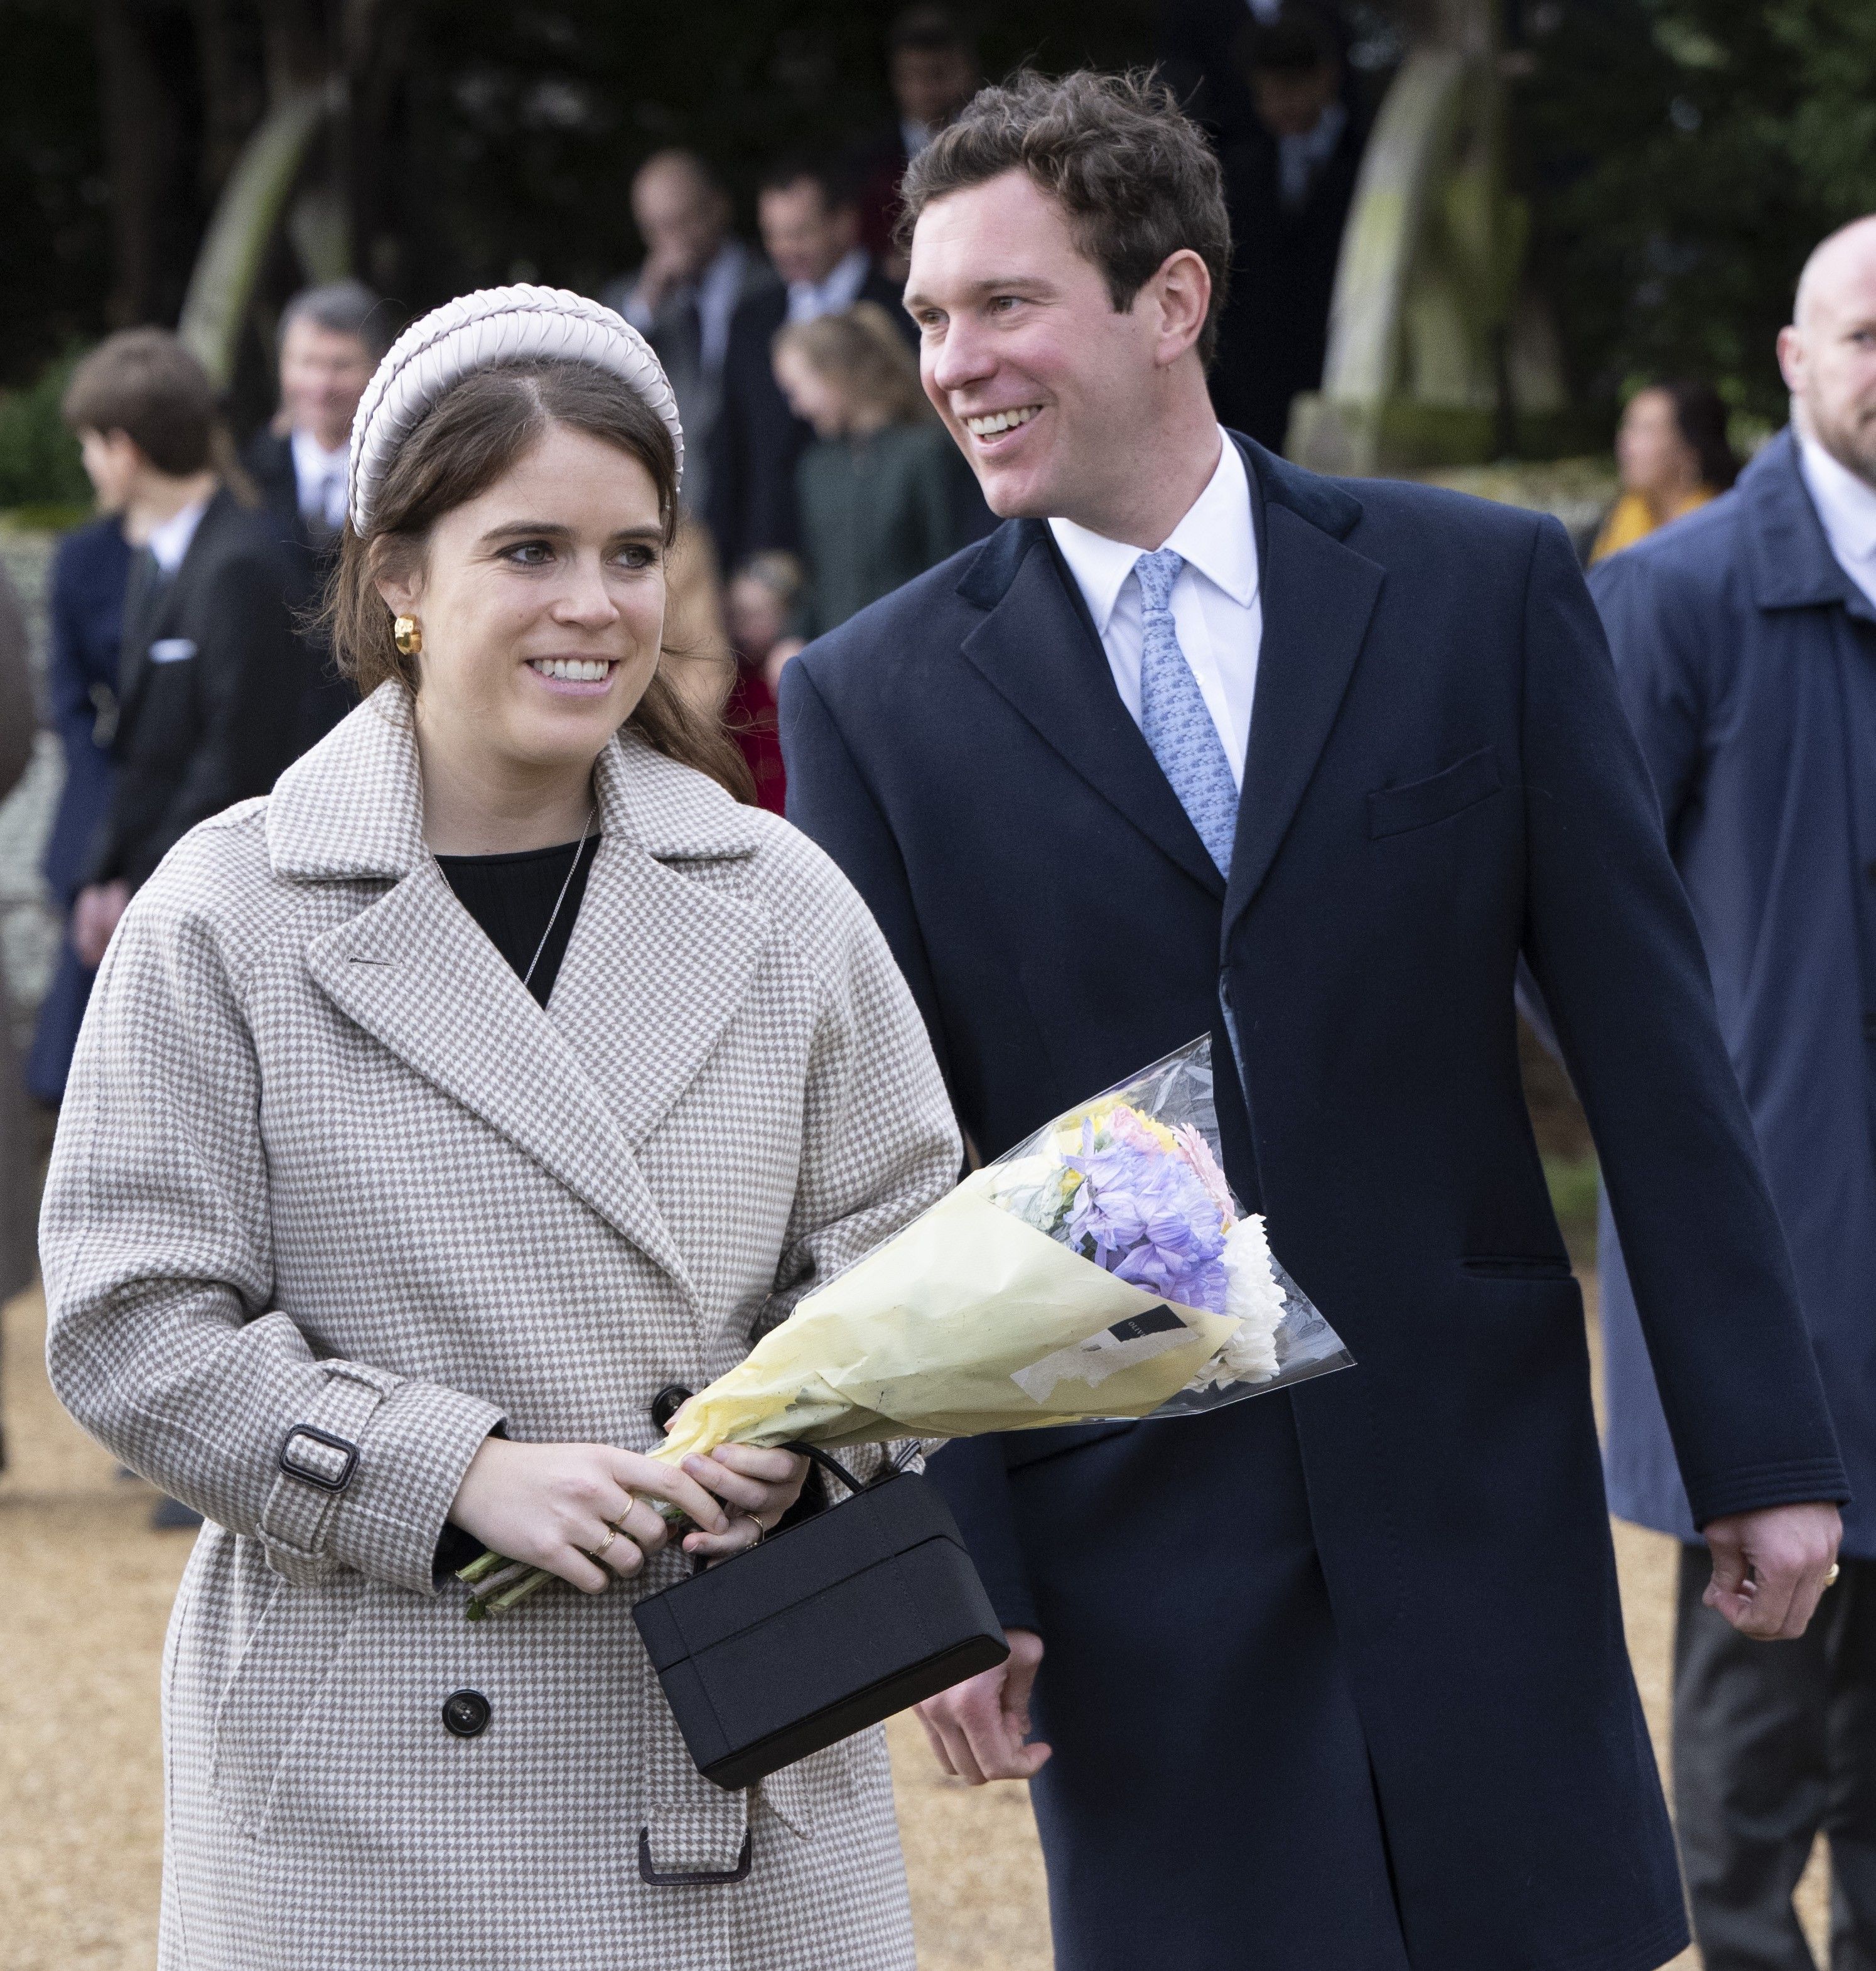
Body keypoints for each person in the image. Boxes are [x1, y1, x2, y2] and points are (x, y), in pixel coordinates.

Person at [780, 69, 1846, 1971]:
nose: (954, 360)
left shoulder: (1483, 588)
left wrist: (1761, 1445)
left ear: (1170, 301)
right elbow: (889, 1172)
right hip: (1129, 1547)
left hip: (1474, 1494)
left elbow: (1657, 1052)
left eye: (1003, 303)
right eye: (932, 317)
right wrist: (957, 1570)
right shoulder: (869, 701)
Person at [38, 285, 959, 1970]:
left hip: (718, 1760)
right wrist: (451, 1470)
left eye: (631, 553)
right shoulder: (225, 912)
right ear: (398, 578)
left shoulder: (781, 897)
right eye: (527, 549)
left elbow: (907, 1254)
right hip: (364, 1767)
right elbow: (127, 1325)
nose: (594, 606)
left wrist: (808, 1435)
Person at [1590, 218, 1876, 1970]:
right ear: (1788, 356)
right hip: (1767, 1272)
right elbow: (1570, 941)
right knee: (1751, 1776)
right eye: (1865, 332)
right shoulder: (1668, 600)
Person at [63, 330, 305, 977]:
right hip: (161, 875)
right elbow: (143, 746)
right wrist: (103, 874)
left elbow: (237, 753)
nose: (88, 462)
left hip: (221, 894)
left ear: (125, 451)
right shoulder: (156, 555)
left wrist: (143, 885)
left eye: (90, 444)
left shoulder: (240, 565)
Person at [705, 156, 914, 573]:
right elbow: (731, 446)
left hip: (877, 561)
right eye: (774, 236)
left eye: (800, 233)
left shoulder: (903, 308)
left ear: (844, 223)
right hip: (765, 567)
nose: (786, 250)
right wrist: (724, 567)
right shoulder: (751, 320)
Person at [772, 301, 991, 636]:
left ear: (837, 374)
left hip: (916, 650)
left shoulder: (927, 453)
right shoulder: (817, 469)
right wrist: (794, 637)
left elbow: (950, 564)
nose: (797, 407)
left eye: (797, 389)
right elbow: (822, 577)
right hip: (840, 660)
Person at [1212, 4, 1369, 451]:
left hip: (1342, 353)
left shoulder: (1370, 155)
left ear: (1326, 78)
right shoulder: (1241, 166)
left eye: (1292, 90)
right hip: (1260, 373)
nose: (1282, 106)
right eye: (1268, 94)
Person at [245, 279, 391, 747]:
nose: (320, 386)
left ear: (376, 369)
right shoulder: (247, 476)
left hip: (374, 723)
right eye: (306, 363)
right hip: (267, 734)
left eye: (340, 366)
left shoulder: (405, 477)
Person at [601, 149, 779, 521]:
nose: (670, 241)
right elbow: (603, 381)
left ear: (718, 208)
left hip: (759, 498)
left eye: (680, 222)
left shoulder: (772, 284)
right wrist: (647, 302)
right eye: (654, 229)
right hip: (677, 506)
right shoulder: (630, 302)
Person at [24, 498, 130, 1106]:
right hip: (96, 827)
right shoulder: (82, 557)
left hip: (175, 835)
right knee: (66, 1081)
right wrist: (98, 859)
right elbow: (70, 709)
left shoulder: (234, 551)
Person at [846, 7, 983, 269]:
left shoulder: (992, 146)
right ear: (895, 79)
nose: (924, 90)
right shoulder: (870, 163)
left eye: (937, 74)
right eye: (912, 76)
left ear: (964, 71)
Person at [1589, 379, 1739, 563]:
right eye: (1627, 427)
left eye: (1646, 430)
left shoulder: (1726, 533)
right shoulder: (1619, 525)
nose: (1626, 444)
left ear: (1690, 450)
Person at [723, 549, 806, 814]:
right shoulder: (728, 679)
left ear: (783, 615)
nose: (745, 628)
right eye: (738, 615)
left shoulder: (793, 672)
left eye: (758, 616)